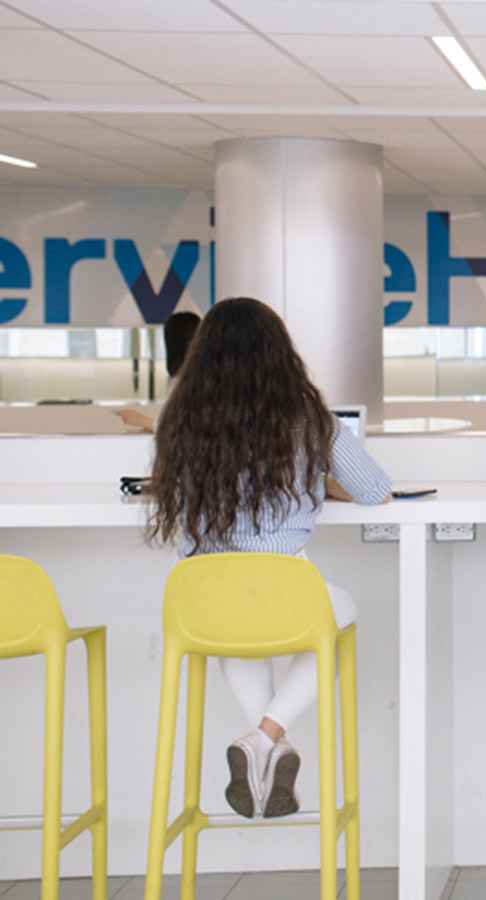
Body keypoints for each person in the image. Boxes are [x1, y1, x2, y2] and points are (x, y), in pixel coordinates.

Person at [146, 297, 392, 819]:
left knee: (239, 638)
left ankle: (264, 742)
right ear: (279, 352)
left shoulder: (181, 420)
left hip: (205, 601)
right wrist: (315, 482)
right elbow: (374, 490)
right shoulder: (305, 415)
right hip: (287, 593)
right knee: (338, 613)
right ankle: (266, 738)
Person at [116, 310, 201, 432]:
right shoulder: (181, 379)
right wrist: (153, 427)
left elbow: (187, 428)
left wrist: (145, 421)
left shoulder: (194, 382)